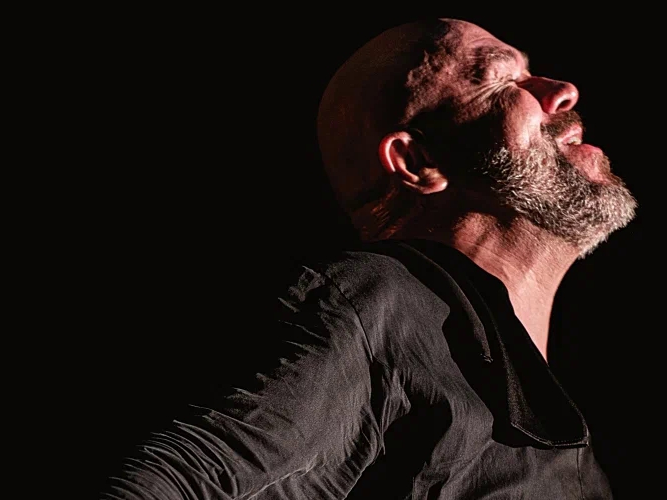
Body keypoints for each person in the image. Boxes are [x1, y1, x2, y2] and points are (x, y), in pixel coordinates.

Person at [101, 18, 636, 500]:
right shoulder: (376, 305)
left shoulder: (564, 442)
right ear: (417, 161)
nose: (561, 91)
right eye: (501, 80)